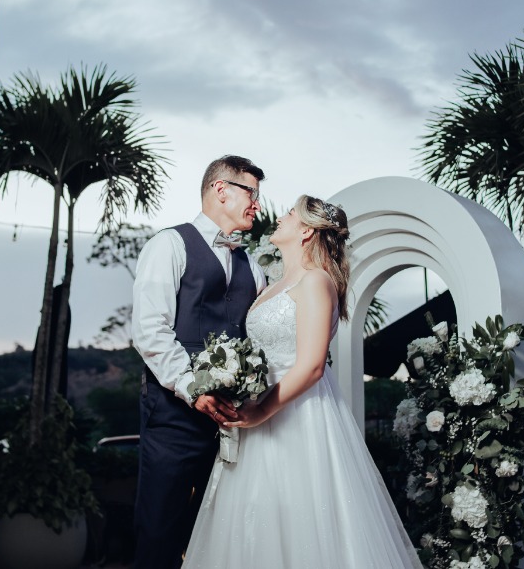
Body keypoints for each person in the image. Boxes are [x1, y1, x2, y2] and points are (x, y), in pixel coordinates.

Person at [183, 195, 423, 568]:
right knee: (255, 519)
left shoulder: (316, 281)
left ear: (307, 231)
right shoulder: (272, 285)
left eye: (291, 213)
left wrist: (260, 411)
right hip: (259, 413)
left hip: (297, 416)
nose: (281, 217)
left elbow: (312, 366)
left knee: (302, 517)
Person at [130, 154, 267, 569]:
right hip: (173, 417)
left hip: (233, 424)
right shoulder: (169, 245)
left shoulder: (252, 266)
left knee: (221, 536)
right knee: (159, 532)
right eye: (251, 192)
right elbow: (150, 330)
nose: (257, 204)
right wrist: (193, 388)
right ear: (221, 189)